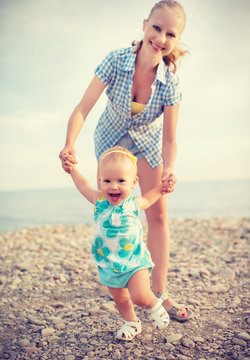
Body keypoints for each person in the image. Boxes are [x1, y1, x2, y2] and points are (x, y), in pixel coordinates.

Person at [60, 0, 190, 321]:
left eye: (170, 33)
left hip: (147, 145)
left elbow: (170, 138)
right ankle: (121, 276)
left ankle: (159, 292)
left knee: (157, 214)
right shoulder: (116, 61)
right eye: (156, 28)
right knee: (113, 207)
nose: (161, 38)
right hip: (110, 141)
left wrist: (169, 169)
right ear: (144, 24)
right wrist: (69, 144)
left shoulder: (170, 83)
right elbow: (83, 107)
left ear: (176, 39)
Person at [65, 146, 172, 340]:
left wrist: (162, 188)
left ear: (133, 183)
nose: (113, 186)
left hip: (134, 261)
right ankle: (132, 322)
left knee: (140, 296)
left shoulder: (134, 203)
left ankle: (154, 304)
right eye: (107, 181)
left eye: (121, 181)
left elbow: (149, 197)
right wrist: (72, 169)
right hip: (108, 263)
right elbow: (83, 185)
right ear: (100, 182)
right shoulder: (98, 200)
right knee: (121, 299)